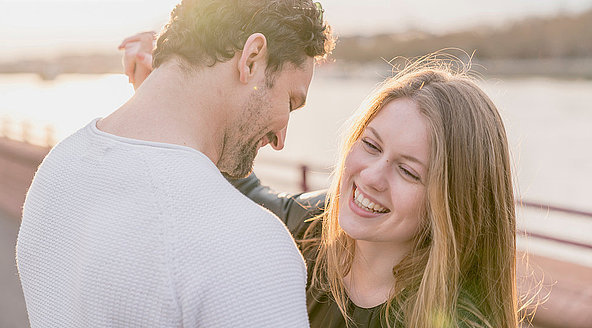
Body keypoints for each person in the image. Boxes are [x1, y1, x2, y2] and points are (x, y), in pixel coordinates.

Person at [16, 0, 335, 328]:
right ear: (251, 58)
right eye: (291, 102)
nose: (281, 139)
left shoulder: (57, 172)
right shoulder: (252, 248)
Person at [122, 38, 520, 327]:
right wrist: (173, 95)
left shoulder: (455, 320)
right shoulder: (307, 228)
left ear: (453, 203)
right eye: (371, 145)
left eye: (408, 171)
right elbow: (236, 188)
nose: (372, 176)